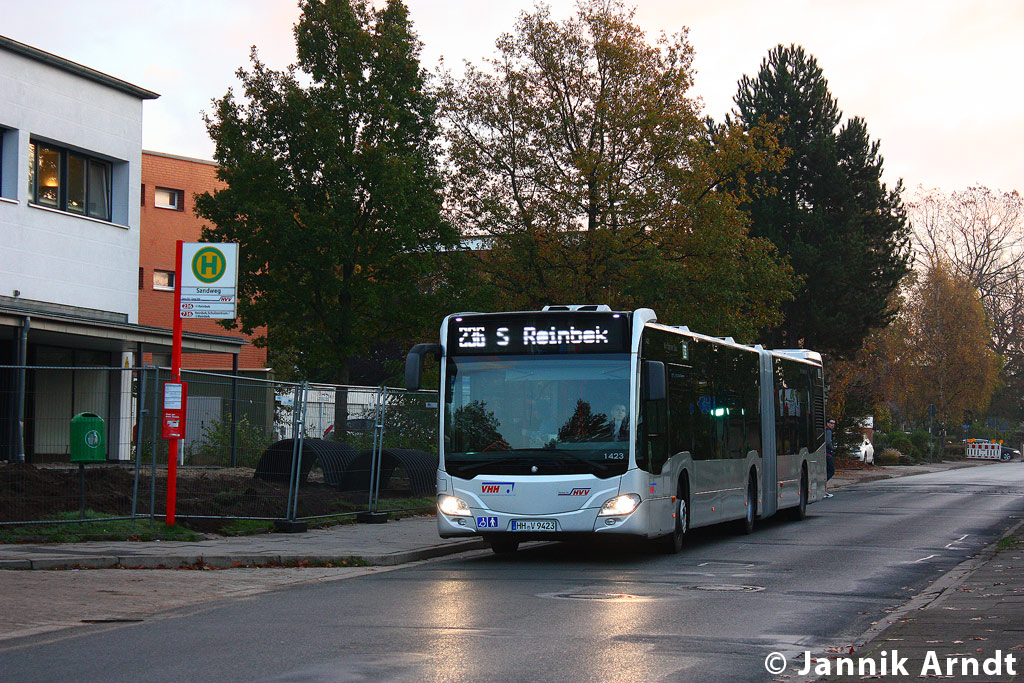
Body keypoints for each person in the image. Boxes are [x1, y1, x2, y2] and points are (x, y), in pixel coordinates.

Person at [824, 418, 836, 497]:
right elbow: (828, 442)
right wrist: (832, 448)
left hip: (824, 454)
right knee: (831, 471)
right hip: (827, 454)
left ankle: (824, 490)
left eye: (833, 423)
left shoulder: (825, 430)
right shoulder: (828, 431)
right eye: (831, 423)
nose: (832, 425)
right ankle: (823, 484)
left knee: (825, 471)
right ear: (827, 423)